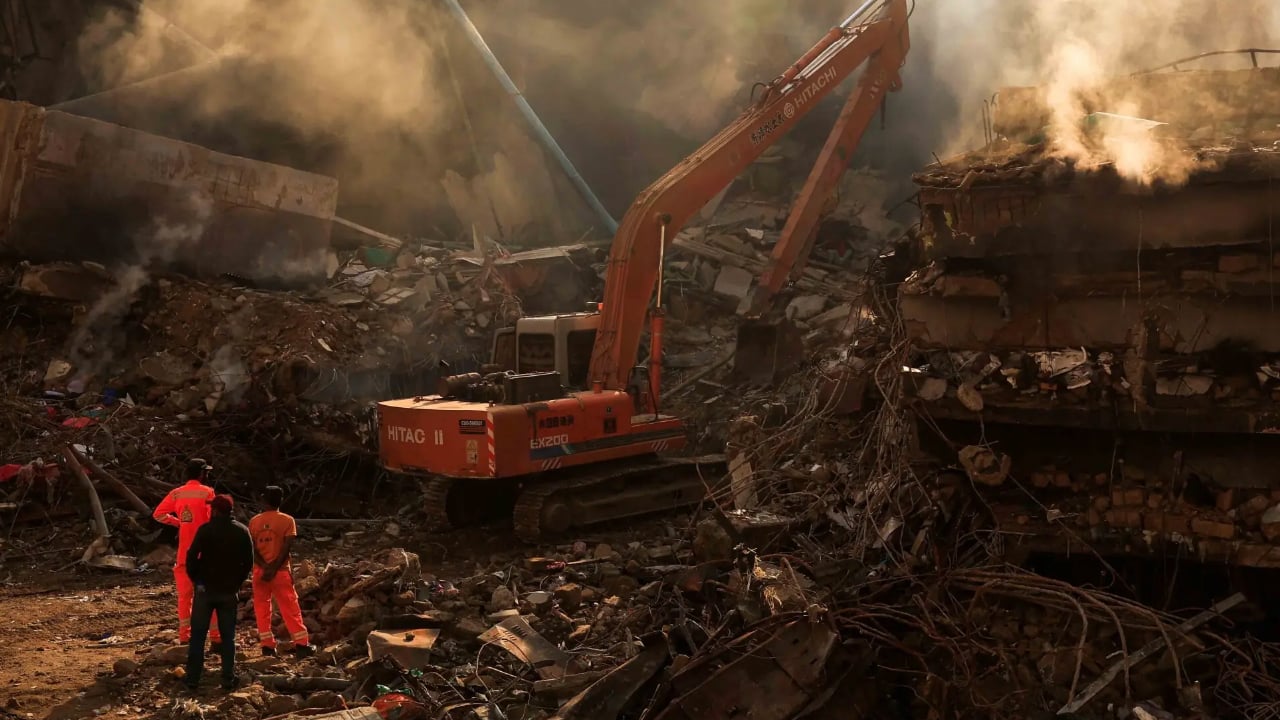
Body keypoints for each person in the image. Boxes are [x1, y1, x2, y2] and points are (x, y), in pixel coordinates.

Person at [184, 494, 253, 692]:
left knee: (198, 636)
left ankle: (192, 679)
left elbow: (191, 557)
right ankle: (227, 678)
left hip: (205, 591)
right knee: (228, 637)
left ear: (215, 510)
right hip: (228, 591)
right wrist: (237, 583)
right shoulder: (242, 531)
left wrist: (197, 580)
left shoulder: (205, 530)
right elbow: (248, 562)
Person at [153, 458, 223, 649]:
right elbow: (213, 519)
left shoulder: (176, 493)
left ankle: (185, 637)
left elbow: (158, 514)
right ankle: (216, 638)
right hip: (205, 555)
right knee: (211, 596)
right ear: (202, 474)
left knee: (185, 598)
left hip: (184, 555)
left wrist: (180, 523)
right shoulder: (207, 493)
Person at [248, 486, 315, 656]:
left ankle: (267, 646)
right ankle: (301, 644)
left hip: (259, 573)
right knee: (290, 608)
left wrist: (264, 567)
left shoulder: (254, 521)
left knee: (262, 609)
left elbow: (253, 549)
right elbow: (286, 548)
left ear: (264, 500)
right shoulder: (287, 520)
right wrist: (274, 567)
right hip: (281, 572)